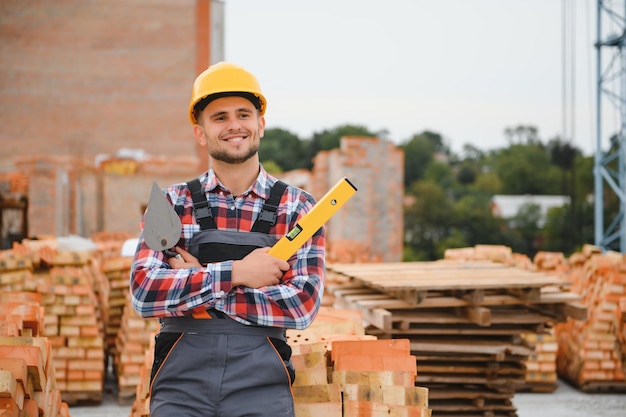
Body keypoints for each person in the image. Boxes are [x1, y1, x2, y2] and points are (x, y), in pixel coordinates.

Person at [130, 62, 326, 417]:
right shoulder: (171, 204)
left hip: (261, 387)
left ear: (260, 125)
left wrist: (197, 283)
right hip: (181, 388)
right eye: (219, 117)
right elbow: (145, 293)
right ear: (200, 132)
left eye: (244, 114)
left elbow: (301, 305)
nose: (234, 125)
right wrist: (237, 273)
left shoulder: (298, 208)